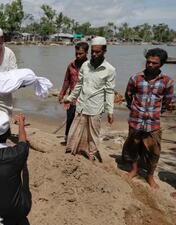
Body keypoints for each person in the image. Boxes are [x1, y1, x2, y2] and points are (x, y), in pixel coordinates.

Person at [122, 48, 174, 188]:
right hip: (136, 119)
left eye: (154, 63)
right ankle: (134, 170)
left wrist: (156, 112)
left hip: (153, 122)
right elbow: (128, 95)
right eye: (148, 61)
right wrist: (134, 109)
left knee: (154, 150)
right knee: (133, 145)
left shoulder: (167, 81)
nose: (150, 65)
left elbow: (167, 101)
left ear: (161, 64)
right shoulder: (135, 78)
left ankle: (150, 176)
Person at [63, 36, 116, 162]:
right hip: (81, 105)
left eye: (97, 52)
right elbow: (79, 85)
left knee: (93, 133)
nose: (94, 54)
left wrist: (110, 110)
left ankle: (91, 154)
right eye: (92, 51)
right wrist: (70, 98)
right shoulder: (86, 65)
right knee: (76, 130)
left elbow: (109, 91)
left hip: (95, 107)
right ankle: (73, 150)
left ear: (104, 51)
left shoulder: (110, 70)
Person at [58, 42, 89, 145]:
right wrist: (62, 93)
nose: (78, 56)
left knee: (83, 122)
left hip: (85, 99)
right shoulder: (71, 65)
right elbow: (66, 80)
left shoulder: (89, 66)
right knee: (70, 118)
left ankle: (80, 142)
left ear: (86, 53)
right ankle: (67, 139)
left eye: (81, 53)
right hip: (72, 98)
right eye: (76, 53)